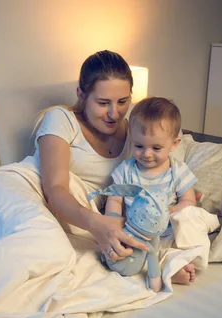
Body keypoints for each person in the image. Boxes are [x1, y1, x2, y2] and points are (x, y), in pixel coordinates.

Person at [34, 50, 195, 285]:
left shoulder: (137, 134)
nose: (114, 113)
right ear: (81, 94)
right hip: (50, 201)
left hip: (96, 218)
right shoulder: (61, 119)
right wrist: (98, 224)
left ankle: (161, 264)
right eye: (102, 103)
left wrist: (181, 200)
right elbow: (55, 188)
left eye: (122, 102)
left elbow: (168, 161)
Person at [88, 97, 200, 291]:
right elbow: (115, 198)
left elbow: (189, 202)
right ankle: (162, 267)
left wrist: (167, 211)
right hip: (135, 230)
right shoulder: (126, 170)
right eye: (139, 146)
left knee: (189, 226)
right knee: (124, 250)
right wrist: (112, 221)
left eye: (156, 148)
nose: (146, 154)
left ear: (174, 144)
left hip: (166, 230)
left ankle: (172, 265)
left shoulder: (177, 171)